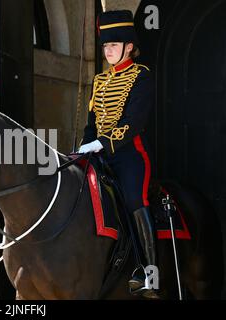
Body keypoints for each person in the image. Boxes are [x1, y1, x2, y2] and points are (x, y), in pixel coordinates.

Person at [78, 10, 158, 299]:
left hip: (128, 155)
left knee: (136, 199)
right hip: (97, 153)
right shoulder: (99, 81)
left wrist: (101, 143)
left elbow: (133, 121)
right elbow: (92, 124)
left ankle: (150, 273)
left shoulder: (141, 76)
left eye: (114, 45)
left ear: (128, 47)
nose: (108, 51)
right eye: (105, 46)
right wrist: (84, 148)